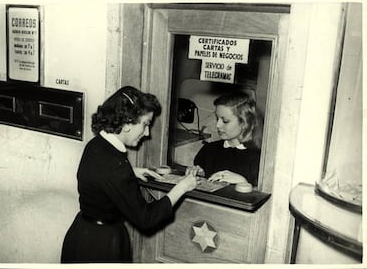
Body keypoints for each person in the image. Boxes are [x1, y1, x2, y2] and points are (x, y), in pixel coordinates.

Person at [61, 86, 198, 263]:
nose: (147, 133)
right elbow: (146, 219)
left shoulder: (96, 144)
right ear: (126, 124)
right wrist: (182, 187)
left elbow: (99, 175)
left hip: (81, 235)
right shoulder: (116, 165)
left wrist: (131, 172)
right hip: (103, 245)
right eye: (145, 124)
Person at [186, 90, 261, 187]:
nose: (218, 125)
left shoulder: (259, 158)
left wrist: (243, 182)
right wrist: (198, 175)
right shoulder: (208, 150)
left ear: (244, 123)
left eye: (225, 121)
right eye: (217, 119)